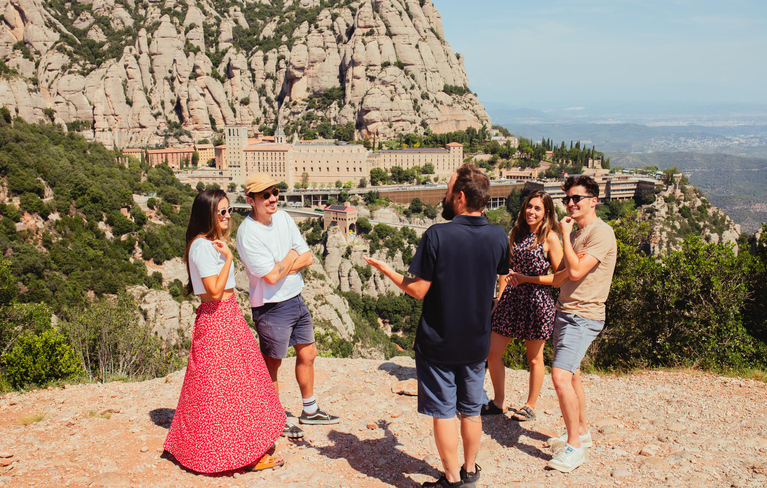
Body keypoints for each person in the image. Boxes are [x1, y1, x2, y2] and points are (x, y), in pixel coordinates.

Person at [365, 164, 509, 488]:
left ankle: (452, 478)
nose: (444, 196)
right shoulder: (498, 235)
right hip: (476, 344)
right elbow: (502, 283)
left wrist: (386, 269)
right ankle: (470, 471)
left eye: (447, 190)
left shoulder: (437, 235)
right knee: (471, 411)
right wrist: (489, 311)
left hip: (439, 344)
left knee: (444, 412)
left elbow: (417, 291)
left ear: (459, 197)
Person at [164, 189, 286, 474]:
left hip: (227, 317)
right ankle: (240, 454)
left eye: (229, 210)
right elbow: (215, 292)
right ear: (208, 214)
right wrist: (229, 258)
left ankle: (245, 447)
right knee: (225, 388)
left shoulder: (210, 243)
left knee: (237, 386)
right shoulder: (202, 246)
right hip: (218, 318)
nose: (228, 215)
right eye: (222, 211)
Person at [236, 173, 340, 440]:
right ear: (251, 200)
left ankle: (310, 409)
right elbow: (270, 277)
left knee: (308, 353)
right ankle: (273, 418)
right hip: (271, 306)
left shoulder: (282, 218)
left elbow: (307, 257)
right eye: (265, 195)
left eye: (275, 192)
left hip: (295, 297)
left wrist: (285, 263)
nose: (273, 199)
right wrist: (291, 257)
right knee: (272, 364)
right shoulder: (248, 233)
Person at [546, 175, 617, 473]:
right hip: (567, 311)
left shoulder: (600, 234)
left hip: (583, 315)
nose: (571, 204)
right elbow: (562, 271)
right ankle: (582, 432)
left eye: (577, 198)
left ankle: (574, 448)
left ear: (593, 200)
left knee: (560, 377)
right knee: (572, 374)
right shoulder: (579, 234)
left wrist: (564, 234)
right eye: (567, 199)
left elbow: (574, 273)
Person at [483, 190, 563, 422]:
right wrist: (499, 298)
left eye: (537, 208)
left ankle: (530, 405)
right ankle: (498, 402)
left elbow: (558, 278)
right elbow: (507, 269)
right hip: (512, 299)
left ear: (546, 212)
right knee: (492, 352)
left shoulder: (550, 237)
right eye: (529, 206)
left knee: (534, 357)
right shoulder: (516, 233)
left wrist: (528, 278)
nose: (531, 211)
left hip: (538, 302)